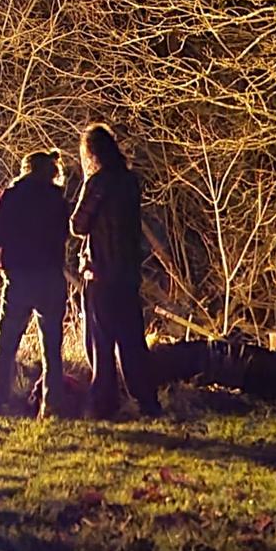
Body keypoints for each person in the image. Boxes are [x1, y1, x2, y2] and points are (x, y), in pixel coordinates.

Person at [73, 125, 161, 419]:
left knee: (101, 343)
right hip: (127, 272)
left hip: (100, 273)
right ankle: (147, 401)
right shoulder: (129, 181)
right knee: (132, 341)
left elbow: (78, 225)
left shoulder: (97, 183)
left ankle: (104, 403)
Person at [0, 150, 74, 416]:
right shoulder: (58, 200)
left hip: (19, 276)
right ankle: (52, 404)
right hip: (50, 275)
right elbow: (64, 235)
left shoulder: (13, 196)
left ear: (25, 169)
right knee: (51, 347)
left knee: (6, 345)